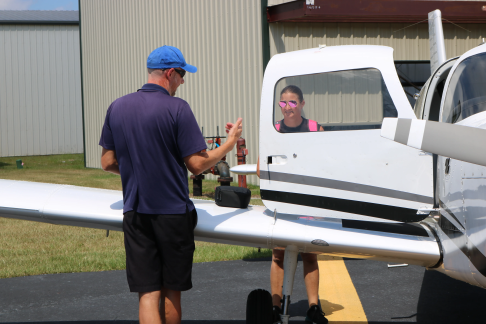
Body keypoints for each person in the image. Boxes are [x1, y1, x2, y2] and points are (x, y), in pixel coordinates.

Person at [100, 45, 243, 324]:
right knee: (171, 292)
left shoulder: (117, 106)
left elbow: (107, 162)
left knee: (147, 293)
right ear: (169, 73)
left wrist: (136, 170)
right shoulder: (178, 108)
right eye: (181, 74)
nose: (183, 81)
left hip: (136, 213)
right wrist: (229, 143)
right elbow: (197, 164)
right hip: (173, 215)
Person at [254, 85, 327, 324]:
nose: (287, 108)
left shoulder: (316, 129)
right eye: (283, 103)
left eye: (292, 103)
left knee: (310, 255)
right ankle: (275, 307)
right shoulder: (273, 130)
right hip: (282, 202)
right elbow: (259, 169)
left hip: (307, 202)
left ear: (302, 104)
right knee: (278, 255)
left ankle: (314, 307)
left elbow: (327, 165)